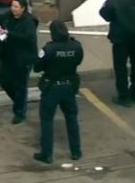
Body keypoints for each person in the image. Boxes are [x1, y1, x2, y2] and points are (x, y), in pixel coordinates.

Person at [33, 20, 83, 164]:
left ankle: (47, 154)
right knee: (72, 117)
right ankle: (76, 151)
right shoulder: (76, 46)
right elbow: (78, 61)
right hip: (70, 86)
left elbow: (37, 67)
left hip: (52, 87)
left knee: (47, 120)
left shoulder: (48, 49)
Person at [0, 0, 38, 124]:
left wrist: (9, 33)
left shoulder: (29, 22)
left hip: (23, 59)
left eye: (16, 7)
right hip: (8, 55)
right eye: (12, 6)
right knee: (4, 80)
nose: (13, 9)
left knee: (20, 85)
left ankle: (20, 112)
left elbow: (28, 39)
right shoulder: (8, 16)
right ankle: (19, 101)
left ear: (23, 8)